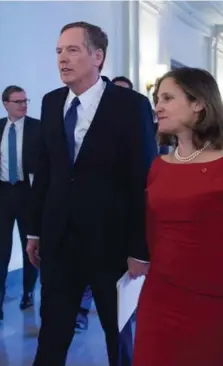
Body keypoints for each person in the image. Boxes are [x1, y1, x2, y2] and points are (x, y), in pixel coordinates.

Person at [26, 21, 157, 366]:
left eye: (72, 50)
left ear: (97, 56)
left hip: (111, 245)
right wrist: (35, 230)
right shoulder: (51, 102)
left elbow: (142, 180)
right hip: (59, 242)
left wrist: (140, 249)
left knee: (119, 336)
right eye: (58, 51)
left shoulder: (131, 105)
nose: (62, 59)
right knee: (53, 332)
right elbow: (47, 172)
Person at [133, 67, 223, 366]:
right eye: (157, 98)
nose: (158, 106)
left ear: (199, 103)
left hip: (215, 300)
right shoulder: (159, 166)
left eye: (167, 97)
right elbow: (151, 232)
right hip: (160, 297)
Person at [76, 75, 135, 331]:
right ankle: (81, 311)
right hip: (84, 221)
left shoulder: (137, 120)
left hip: (116, 225)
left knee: (115, 309)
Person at [0, 85, 39, 320]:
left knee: (29, 248)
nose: (23, 104)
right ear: (6, 104)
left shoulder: (37, 127)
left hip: (27, 193)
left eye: (25, 100)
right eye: (18, 101)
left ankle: (28, 292)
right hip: (2, 193)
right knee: (1, 251)